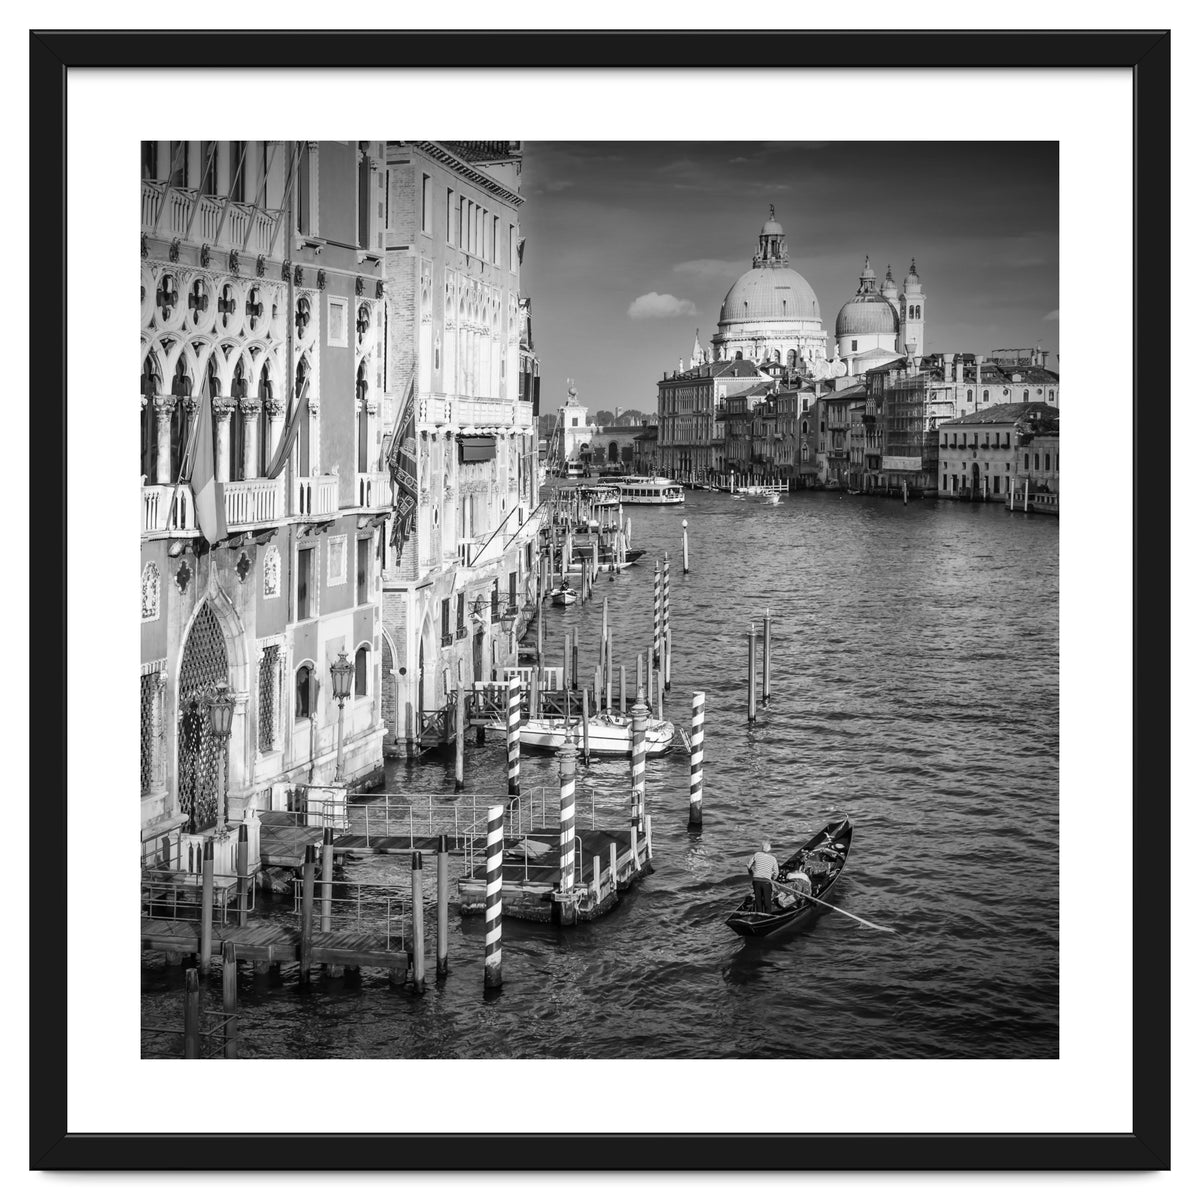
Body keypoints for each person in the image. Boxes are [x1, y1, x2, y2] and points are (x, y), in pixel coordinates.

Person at [746, 840, 779, 913]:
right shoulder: (773, 859)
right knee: (767, 900)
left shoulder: (757, 854)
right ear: (770, 849)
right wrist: (773, 878)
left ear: (762, 848)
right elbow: (776, 872)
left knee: (758, 899)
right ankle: (768, 916)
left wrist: (751, 873)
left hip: (756, 880)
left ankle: (759, 914)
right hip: (766, 881)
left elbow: (748, 865)